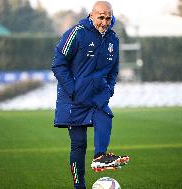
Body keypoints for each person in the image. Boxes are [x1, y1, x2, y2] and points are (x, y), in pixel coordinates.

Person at [51, 1, 129, 189]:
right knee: (79, 144)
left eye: (108, 18)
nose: (104, 22)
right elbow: (58, 64)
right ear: (91, 15)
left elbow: (113, 71)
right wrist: (74, 91)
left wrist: (108, 90)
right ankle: (80, 186)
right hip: (73, 100)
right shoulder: (76, 33)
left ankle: (100, 157)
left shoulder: (113, 39)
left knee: (105, 115)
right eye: (100, 17)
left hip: (97, 97)